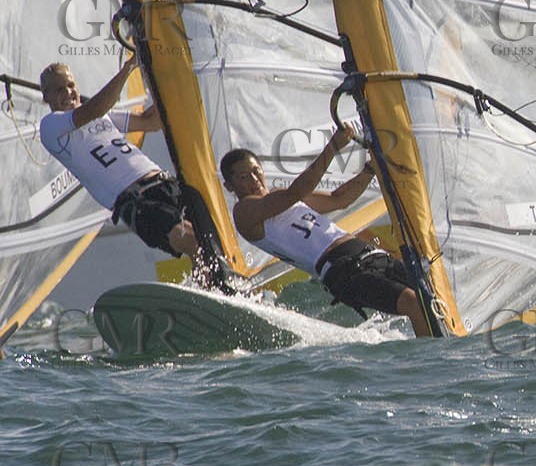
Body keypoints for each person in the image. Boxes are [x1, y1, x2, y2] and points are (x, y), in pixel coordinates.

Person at [221, 124, 429, 336]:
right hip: (342, 271)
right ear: (229, 186)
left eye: (256, 171)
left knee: (431, 296)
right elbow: (297, 192)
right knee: (413, 302)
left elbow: (340, 200)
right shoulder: (244, 212)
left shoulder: (281, 196)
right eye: (244, 177)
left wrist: (370, 169)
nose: (254, 180)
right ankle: (431, 362)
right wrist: (332, 148)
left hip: (368, 254)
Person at [38, 59, 225, 284]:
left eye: (71, 85)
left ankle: (224, 288)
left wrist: (166, 80)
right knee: (192, 241)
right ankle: (211, 295)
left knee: (213, 238)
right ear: (46, 97)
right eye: (59, 89)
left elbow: (152, 121)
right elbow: (96, 108)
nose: (68, 92)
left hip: (163, 182)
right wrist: (128, 68)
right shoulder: (51, 126)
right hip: (135, 200)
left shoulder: (103, 117)